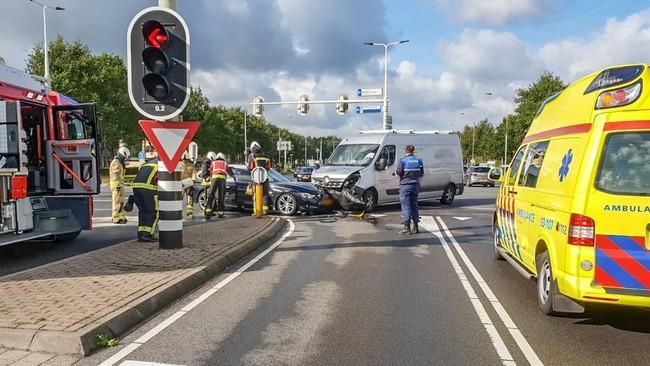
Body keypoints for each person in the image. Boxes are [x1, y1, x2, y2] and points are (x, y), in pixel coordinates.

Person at [395, 145, 424, 235]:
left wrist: (396, 174)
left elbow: (399, 173)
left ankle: (407, 228)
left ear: (405, 151)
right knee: (414, 205)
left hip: (405, 185)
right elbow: (421, 173)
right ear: (413, 151)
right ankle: (416, 227)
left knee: (406, 206)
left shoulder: (402, 160)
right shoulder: (419, 160)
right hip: (415, 185)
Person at [132, 152, 159, 242]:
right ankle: (148, 234)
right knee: (154, 211)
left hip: (136, 188)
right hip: (148, 189)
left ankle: (141, 234)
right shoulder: (161, 165)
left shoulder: (146, 164)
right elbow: (158, 178)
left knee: (143, 211)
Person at [204, 152, 232, 218]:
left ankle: (208, 210)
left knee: (211, 194)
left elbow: (211, 171)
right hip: (222, 180)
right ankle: (220, 213)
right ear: (223, 158)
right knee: (221, 196)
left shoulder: (213, 163)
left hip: (214, 179)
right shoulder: (225, 163)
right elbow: (229, 171)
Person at [247, 141, 272, 215]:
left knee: (256, 195)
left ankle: (256, 211)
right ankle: (264, 210)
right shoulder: (266, 156)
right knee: (265, 194)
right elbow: (268, 167)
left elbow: (250, 167)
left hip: (255, 178)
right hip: (265, 177)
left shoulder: (252, 156)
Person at [109, 146, 130, 224]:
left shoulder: (119, 162)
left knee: (120, 201)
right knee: (117, 201)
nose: (126, 158)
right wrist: (118, 185)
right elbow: (115, 175)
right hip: (117, 184)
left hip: (119, 184)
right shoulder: (116, 162)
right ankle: (115, 217)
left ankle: (121, 215)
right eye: (126, 156)